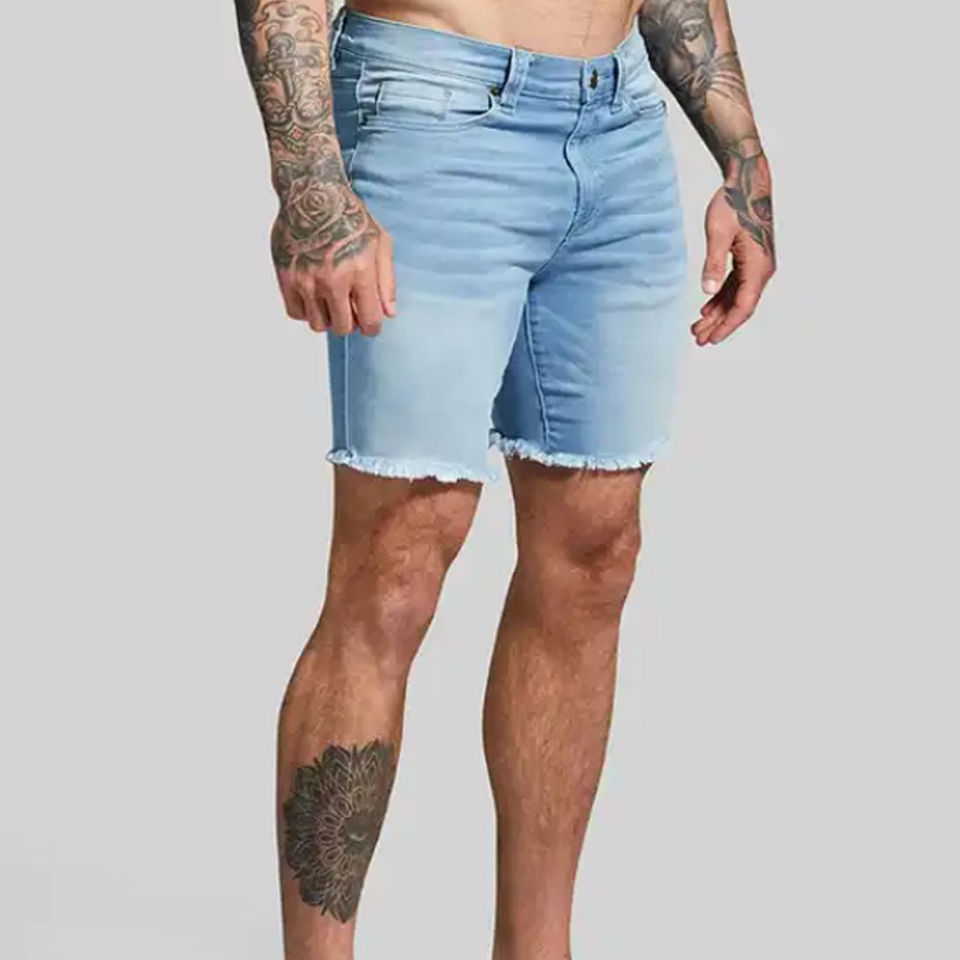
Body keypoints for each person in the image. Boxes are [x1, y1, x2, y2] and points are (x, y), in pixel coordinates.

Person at [232, 0, 775, 956]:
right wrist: (312, 182)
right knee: (394, 566)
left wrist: (744, 164)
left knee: (594, 556)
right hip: (432, 108)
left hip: (618, 131)